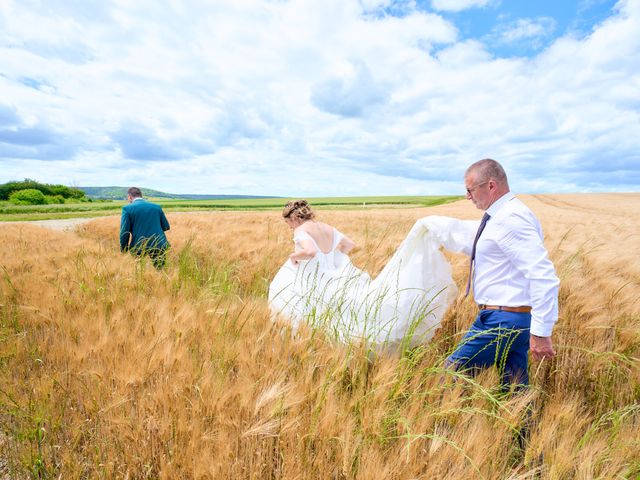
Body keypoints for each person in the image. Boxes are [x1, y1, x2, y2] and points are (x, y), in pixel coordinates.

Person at [268, 200, 476, 346]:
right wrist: (333, 259)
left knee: (305, 310)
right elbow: (349, 245)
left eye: (288, 223)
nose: (289, 227)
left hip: (316, 278)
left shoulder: (300, 230)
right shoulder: (327, 227)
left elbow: (311, 252)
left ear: (295, 217)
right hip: (339, 275)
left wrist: (295, 257)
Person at [446, 159, 560, 388]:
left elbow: (542, 275)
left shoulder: (511, 218)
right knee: (514, 389)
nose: (468, 196)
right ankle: (521, 425)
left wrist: (541, 331)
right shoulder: (501, 216)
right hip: (511, 318)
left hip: (503, 321)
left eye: (470, 190)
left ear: (490, 186)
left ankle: (438, 425)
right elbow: (494, 252)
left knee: (450, 375)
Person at [119, 187, 171, 269]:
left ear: (129, 196)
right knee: (161, 270)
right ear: (141, 195)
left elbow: (124, 232)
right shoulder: (156, 207)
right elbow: (166, 226)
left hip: (139, 245)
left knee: (139, 272)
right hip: (159, 243)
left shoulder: (127, 209)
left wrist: (124, 249)